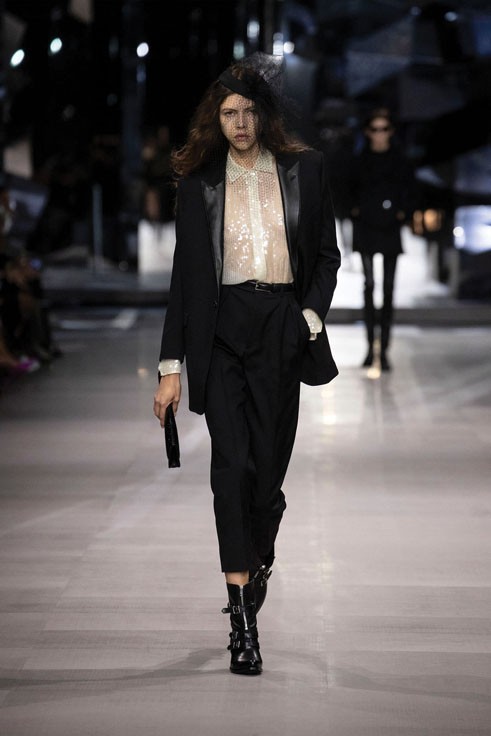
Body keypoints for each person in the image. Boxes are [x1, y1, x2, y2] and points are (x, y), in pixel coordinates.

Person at [152, 55, 340, 676]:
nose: (238, 123)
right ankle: (241, 621)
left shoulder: (305, 170)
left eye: (248, 112)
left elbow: (326, 254)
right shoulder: (198, 184)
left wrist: (308, 316)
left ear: (265, 116)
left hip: (281, 325)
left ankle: (259, 556)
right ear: (216, 119)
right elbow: (185, 281)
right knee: (230, 469)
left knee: (266, 477)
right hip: (223, 331)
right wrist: (170, 366)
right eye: (228, 113)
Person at [349, 108, 418, 371]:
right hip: (366, 227)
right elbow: (346, 188)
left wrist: (402, 212)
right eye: (375, 129)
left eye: (384, 129)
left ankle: (384, 349)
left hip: (389, 228)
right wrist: (354, 210)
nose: (380, 134)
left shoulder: (400, 161)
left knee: (388, 289)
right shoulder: (359, 160)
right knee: (368, 286)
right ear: (368, 132)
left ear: (391, 132)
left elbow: (410, 190)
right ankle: (370, 348)